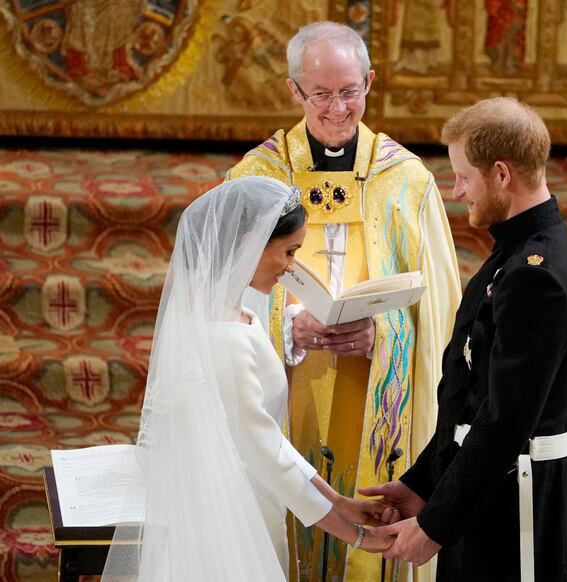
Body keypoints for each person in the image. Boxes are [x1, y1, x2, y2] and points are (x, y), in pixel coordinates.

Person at [226, 21, 461, 581]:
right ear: (294, 92)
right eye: (322, 93)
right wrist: (287, 328)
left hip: (375, 392)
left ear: (370, 83)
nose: (337, 108)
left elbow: (444, 313)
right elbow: (220, 300)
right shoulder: (255, 178)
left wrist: (387, 336)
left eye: (349, 91)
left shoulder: (406, 181)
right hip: (285, 388)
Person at [101, 177, 392, 582]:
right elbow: (265, 454)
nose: (292, 267)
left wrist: (341, 502)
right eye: (288, 252)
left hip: (244, 504)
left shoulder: (231, 312)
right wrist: (356, 537)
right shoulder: (225, 336)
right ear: (247, 243)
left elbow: (268, 437)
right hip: (227, 523)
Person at [362, 97, 567, 581]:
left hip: (514, 506)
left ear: (502, 175)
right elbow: (470, 396)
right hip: (489, 491)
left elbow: (504, 423)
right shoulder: (517, 249)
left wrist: (436, 525)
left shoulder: (536, 276)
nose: (457, 189)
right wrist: (424, 483)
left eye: (464, 175)